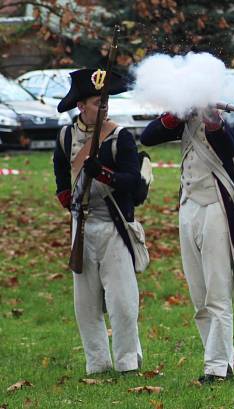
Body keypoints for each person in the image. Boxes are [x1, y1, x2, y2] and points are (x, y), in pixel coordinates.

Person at [140, 108, 234, 384]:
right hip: (188, 206)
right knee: (199, 296)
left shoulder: (231, 117)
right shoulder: (184, 114)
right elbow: (149, 136)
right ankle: (227, 359)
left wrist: (212, 118)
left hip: (216, 206)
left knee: (217, 293)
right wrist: (177, 114)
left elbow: (228, 149)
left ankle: (215, 368)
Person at [53, 68, 143, 375]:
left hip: (113, 224)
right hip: (82, 226)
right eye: (96, 103)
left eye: (105, 102)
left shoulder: (120, 137)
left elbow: (133, 181)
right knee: (86, 304)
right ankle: (97, 364)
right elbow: (61, 177)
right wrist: (68, 199)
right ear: (81, 106)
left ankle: (128, 362)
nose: (103, 108)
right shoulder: (66, 137)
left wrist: (102, 173)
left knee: (122, 302)